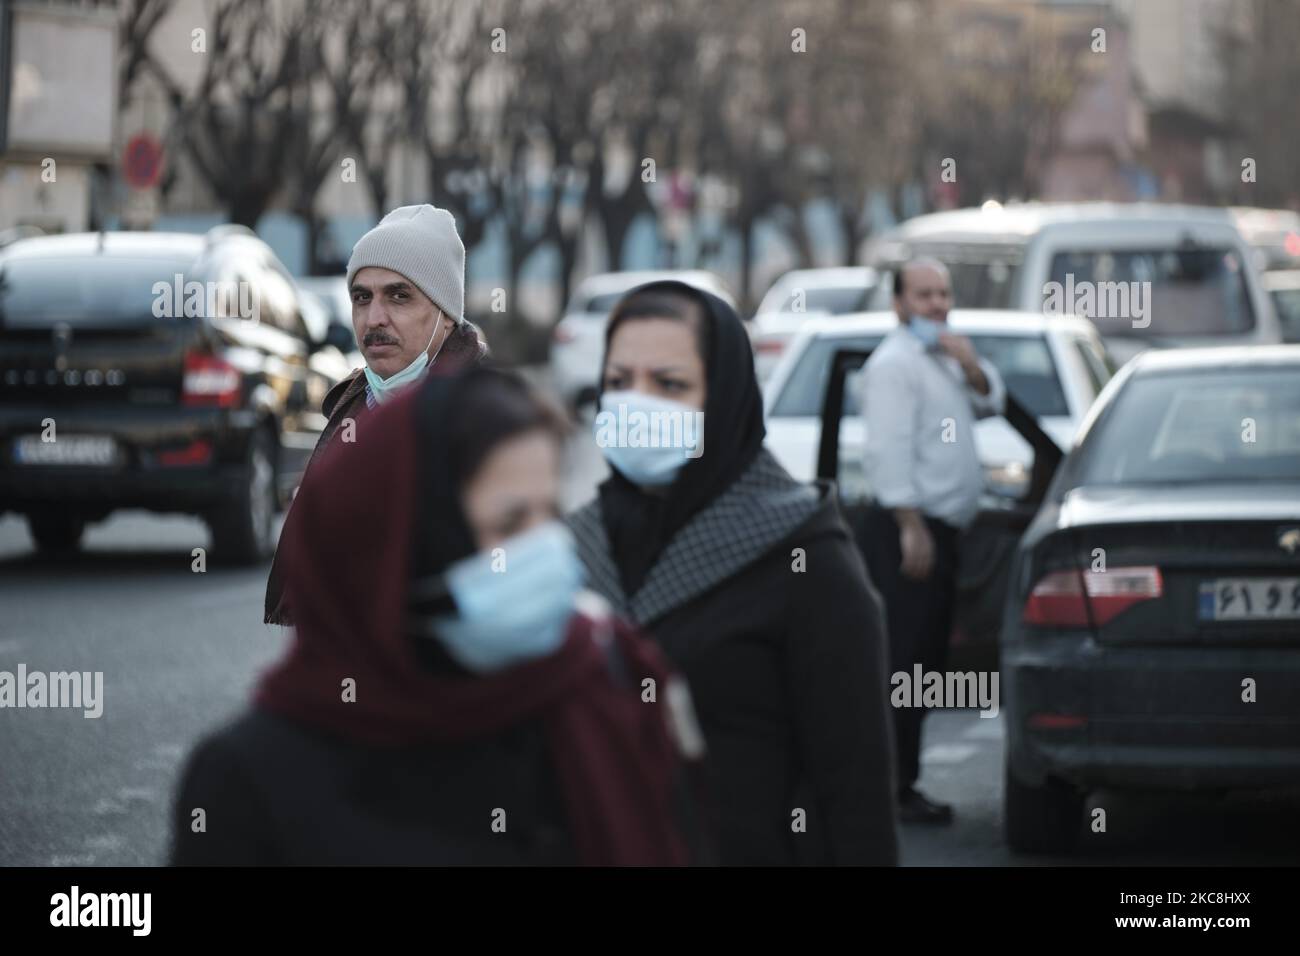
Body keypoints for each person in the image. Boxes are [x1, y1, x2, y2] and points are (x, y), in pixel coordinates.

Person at [174, 368, 707, 865]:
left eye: (550, 514)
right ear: (406, 544)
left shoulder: (601, 689)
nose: (546, 549)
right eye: (510, 521)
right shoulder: (252, 780)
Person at [567, 280, 899, 866]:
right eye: (619, 382)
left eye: (669, 384)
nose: (636, 404)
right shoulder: (576, 547)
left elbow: (855, 796)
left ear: (724, 399)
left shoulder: (806, 557)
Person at [264, 203, 487, 626]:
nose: (374, 318)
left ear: (445, 314)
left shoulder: (485, 418)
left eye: (399, 296)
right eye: (361, 298)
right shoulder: (350, 408)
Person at [857, 258, 1006, 825]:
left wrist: (969, 364)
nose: (936, 304)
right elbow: (886, 451)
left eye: (942, 293)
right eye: (923, 295)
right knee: (905, 662)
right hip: (909, 533)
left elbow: (991, 400)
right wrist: (909, 524)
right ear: (898, 303)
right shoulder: (895, 365)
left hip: (942, 532)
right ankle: (890, 789)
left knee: (925, 660)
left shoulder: (942, 358)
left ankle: (903, 781)